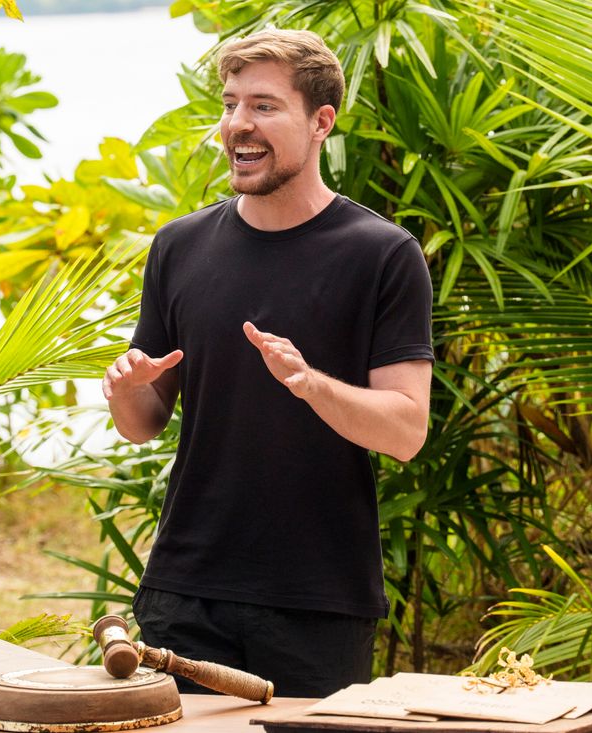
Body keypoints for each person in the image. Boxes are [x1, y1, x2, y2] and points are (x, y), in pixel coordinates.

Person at [100, 29, 434, 698]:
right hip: (185, 588)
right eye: (230, 105)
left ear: (321, 122)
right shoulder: (179, 246)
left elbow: (405, 431)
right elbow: (143, 425)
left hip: (320, 599)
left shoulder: (383, 255)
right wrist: (124, 390)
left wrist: (312, 386)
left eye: (263, 105)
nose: (237, 124)